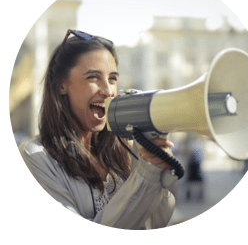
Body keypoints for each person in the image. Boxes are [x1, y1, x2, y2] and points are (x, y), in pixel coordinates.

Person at [19, 29, 176, 229]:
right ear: (61, 85)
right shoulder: (36, 156)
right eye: (94, 77)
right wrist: (145, 176)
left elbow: (153, 224)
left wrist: (158, 174)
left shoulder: (125, 149)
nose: (108, 90)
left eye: (112, 78)